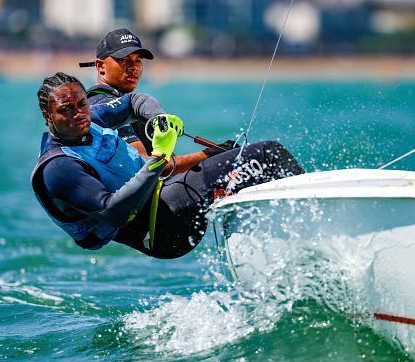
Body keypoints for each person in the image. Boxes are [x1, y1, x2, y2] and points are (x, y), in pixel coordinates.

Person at [31, 73, 304, 259]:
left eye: (82, 104)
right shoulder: (59, 168)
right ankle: (314, 230)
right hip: (162, 227)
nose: (79, 114)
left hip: (167, 200)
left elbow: (134, 101)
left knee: (244, 166)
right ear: (47, 115)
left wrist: (157, 119)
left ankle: (275, 248)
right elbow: (113, 210)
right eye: (66, 109)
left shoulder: (91, 119)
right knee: (268, 154)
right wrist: (158, 157)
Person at [79, 28, 226, 174]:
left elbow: (168, 164)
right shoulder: (109, 108)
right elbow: (146, 168)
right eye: (124, 60)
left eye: (138, 61)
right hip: (142, 194)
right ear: (101, 66)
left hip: (156, 189)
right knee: (235, 158)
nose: (133, 67)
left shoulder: (119, 101)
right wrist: (208, 155)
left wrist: (212, 154)